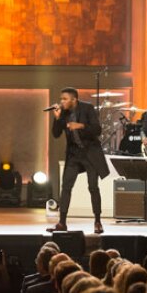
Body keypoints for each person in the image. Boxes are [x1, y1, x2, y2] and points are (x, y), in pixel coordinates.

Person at [48, 87, 110, 234]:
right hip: (74, 154)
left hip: (90, 153)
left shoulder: (87, 108)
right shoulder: (62, 112)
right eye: (61, 99)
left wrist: (80, 125)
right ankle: (62, 222)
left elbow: (97, 129)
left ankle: (97, 221)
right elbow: (56, 134)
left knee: (93, 187)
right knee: (66, 187)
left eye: (65, 99)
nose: (61, 101)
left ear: (74, 99)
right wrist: (57, 118)